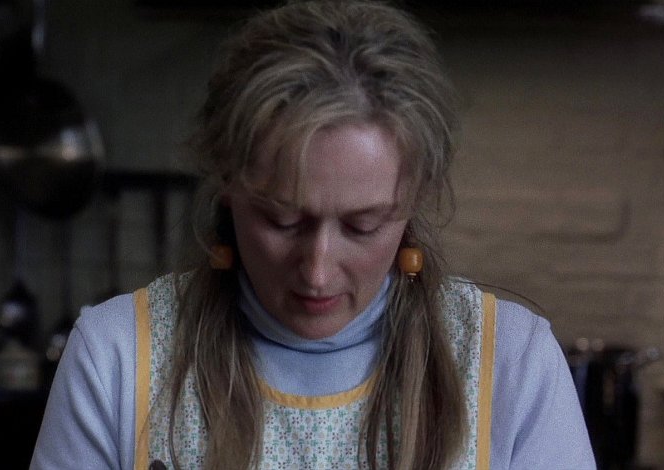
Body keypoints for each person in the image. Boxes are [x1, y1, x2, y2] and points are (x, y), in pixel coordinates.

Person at [30, 1, 595, 468]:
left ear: (416, 197)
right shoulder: (117, 356)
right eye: (282, 220)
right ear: (225, 182)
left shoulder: (512, 364)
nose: (317, 271)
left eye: (363, 225)